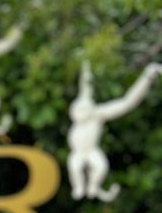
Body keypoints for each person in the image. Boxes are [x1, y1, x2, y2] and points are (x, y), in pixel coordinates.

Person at [67, 60, 162, 201]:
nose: (79, 112)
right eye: (77, 109)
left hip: (91, 151)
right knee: (75, 167)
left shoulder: (96, 114)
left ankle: (94, 186)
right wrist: (86, 67)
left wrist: (146, 78)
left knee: (101, 167)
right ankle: (80, 187)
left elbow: (127, 103)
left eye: (82, 109)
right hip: (78, 152)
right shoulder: (80, 110)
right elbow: (85, 86)